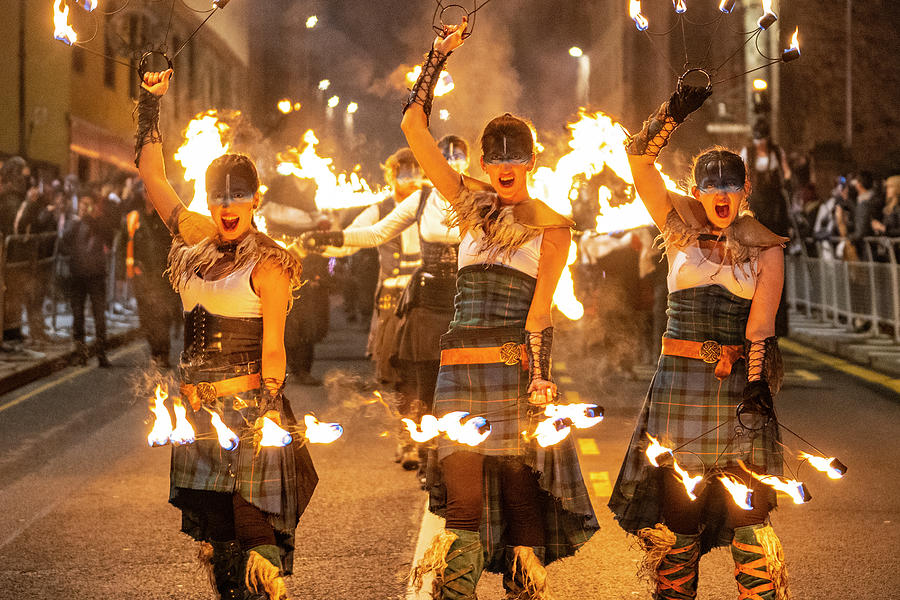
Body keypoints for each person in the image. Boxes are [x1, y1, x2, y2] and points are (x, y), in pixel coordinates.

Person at [401, 19, 598, 599]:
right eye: (496, 159)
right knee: (462, 506)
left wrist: (540, 381)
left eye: (517, 159)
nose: (506, 168)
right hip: (458, 371)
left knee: (520, 498)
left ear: (532, 161)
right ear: (485, 164)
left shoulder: (553, 227)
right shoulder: (466, 203)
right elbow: (414, 125)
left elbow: (541, 313)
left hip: (514, 372)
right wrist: (438, 54)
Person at [136, 69, 317, 600]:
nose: (227, 207)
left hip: (251, 412)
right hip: (197, 416)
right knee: (219, 544)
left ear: (255, 199)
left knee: (254, 536)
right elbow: (152, 177)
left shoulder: (270, 263)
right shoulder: (194, 241)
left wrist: (266, 414)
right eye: (219, 198)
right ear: (208, 200)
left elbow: (276, 348)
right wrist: (150, 101)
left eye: (239, 197)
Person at [608, 84, 791, 600]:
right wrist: (673, 111)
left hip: (738, 387)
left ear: (744, 190)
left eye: (731, 190)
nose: (721, 199)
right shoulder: (677, 221)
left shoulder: (766, 246)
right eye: (712, 191)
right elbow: (638, 161)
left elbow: (760, 325)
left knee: (747, 509)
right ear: (698, 191)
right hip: (678, 384)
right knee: (680, 511)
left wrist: (756, 384)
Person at [303, 135, 469, 483]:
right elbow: (373, 234)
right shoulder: (422, 201)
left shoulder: (481, 199)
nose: (451, 164)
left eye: (458, 159)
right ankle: (423, 451)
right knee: (415, 382)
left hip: (466, 305)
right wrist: (325, 241)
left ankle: (460, 458)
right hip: (419, 305)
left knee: (461, 387)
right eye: (444, 159)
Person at [302, 148, 424, 468]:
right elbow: (355, 238)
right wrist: (317, 243)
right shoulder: (380, 209)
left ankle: (428, 438)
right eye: (403, 171)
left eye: (416, 171)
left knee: (424, 371)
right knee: (394, 373)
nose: (410, 178)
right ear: (392, 174)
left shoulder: (432, 205)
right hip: (391, 302)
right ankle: (407, 436)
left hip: (427, 301)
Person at [127, 182, 179, 368]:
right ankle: (154, 352)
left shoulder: (164, 218)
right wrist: (133, 268)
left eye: (150, 192)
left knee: (161, 316)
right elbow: (128, 244)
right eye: (145, 192)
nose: (148, 196)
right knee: (147, 318)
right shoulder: (136, 218)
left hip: (161, 277)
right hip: (142, 278)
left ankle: (163, 354)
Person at [60, 194, 114, 367]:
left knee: (99, 314)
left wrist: (93, 220)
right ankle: (81, 353)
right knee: (78, 314)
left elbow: (109, 237)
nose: (84, 208)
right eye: (82, 205)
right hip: (78, 276)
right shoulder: (74, 224)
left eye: (88, 205)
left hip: (96, 276)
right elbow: (62, 243)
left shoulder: (100, 224)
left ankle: (101, 352)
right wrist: (72, 257)